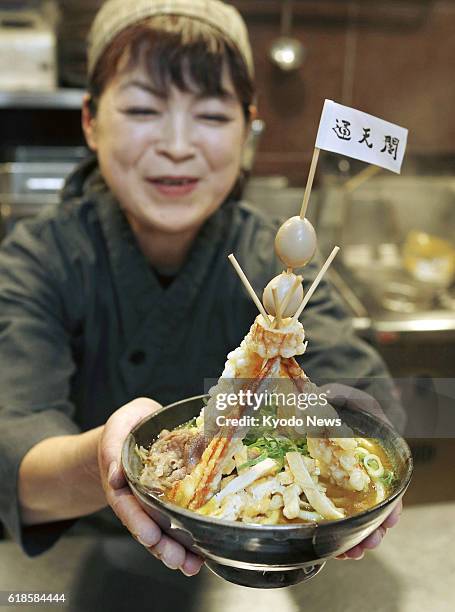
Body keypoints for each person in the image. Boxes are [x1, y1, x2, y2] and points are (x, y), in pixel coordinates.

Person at [0, 0, 403, 576]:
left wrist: (345, 442)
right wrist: (105, 459)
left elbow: (362, 396)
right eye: (143, 108)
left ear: (248, 132)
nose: (178, 144)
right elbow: (15, 459)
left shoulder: (274, 259)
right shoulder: (39, 257)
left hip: (258, 555)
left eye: (212, 116)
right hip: (78, 560)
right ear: (90, 120)